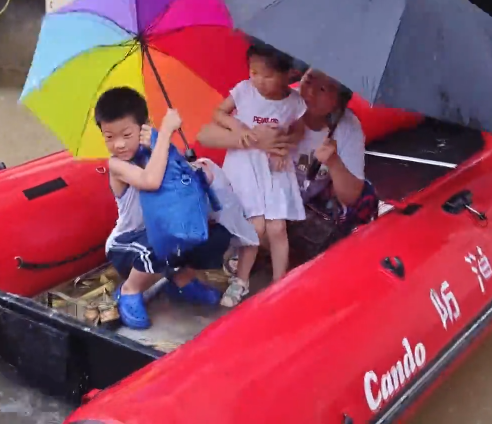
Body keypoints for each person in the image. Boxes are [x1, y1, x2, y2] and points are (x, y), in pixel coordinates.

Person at [199, 68, 378, 296]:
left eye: (322, 89)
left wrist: (334, 162)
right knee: (261, 227)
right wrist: (251, 140)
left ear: (339, 101)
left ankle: (269, 271)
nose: (310, 91)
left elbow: (352, 196)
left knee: (286, 234)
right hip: (261, 199)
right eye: (308, 80)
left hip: (299, 207)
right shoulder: (279, 100)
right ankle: (249, 255)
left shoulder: (346, 128)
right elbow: (204, 135)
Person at [96, 87, 232, 330]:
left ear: (143, 127)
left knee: (214, 234)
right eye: (109, 137)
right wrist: (167, 132)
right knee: (160, 239)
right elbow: (151, 180)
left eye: (126, 134)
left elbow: (179, 177)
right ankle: (130, 289)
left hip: (160, 234)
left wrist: (186, 162)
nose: (118, 144)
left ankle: (180, 278)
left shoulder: (155, 148)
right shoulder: (116, 164)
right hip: (127, 242)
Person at [210, 42, 305, 306]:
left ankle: (280, 283)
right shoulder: (244, 90)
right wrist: (237, 128)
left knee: (277, 227)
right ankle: (240, 281)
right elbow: (218, 113)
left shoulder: (293, 102)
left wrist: (284, 144)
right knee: (255, 225)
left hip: (274, 168)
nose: (259, 80)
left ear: (288, 74)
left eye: (267, 74)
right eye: (254, 72)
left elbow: (299, 129)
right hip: (245, 165)